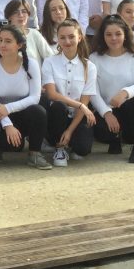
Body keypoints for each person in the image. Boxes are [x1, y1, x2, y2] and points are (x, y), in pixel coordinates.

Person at [0, 26, 50, 169]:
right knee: (13, 146)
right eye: (0, 40)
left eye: (8, 41)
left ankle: (34, 154)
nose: (2, 45)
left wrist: (8, 108)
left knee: (39, 110)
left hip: (18, 112)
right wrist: (8, 125)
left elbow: (35, 97)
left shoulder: (31, 64)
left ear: (19, 45)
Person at [90, 15, 134, 163]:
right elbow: (93, 92)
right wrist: (106, 113)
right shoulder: (94, 58)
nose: (113, 38)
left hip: (130, 110)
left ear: (125, 35)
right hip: (107, 112)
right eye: (109, 34)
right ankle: (115, 139)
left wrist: (125, 92)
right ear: (102, 36)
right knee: (101, 132)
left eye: (118, 34)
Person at [41, 19, 98, 167]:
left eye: (71, 36)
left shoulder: (90, 67)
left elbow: (85, 101)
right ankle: (59, 148)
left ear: (80, 37)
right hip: (56, 114)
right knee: (59, 106)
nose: (67, 41)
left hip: (77, 117)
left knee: (83, 149)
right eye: (62, 37)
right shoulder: (49, 62)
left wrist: (70, 131)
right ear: (57, 39)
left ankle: (68, 141)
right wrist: (81, 105)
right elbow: (52, 95)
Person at [3, 0, 53, 65]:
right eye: (16, 12)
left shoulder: (34, 34)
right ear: (9, 16)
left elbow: (50, 57)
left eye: (24, 11)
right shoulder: (1, 35)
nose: (21, 15)